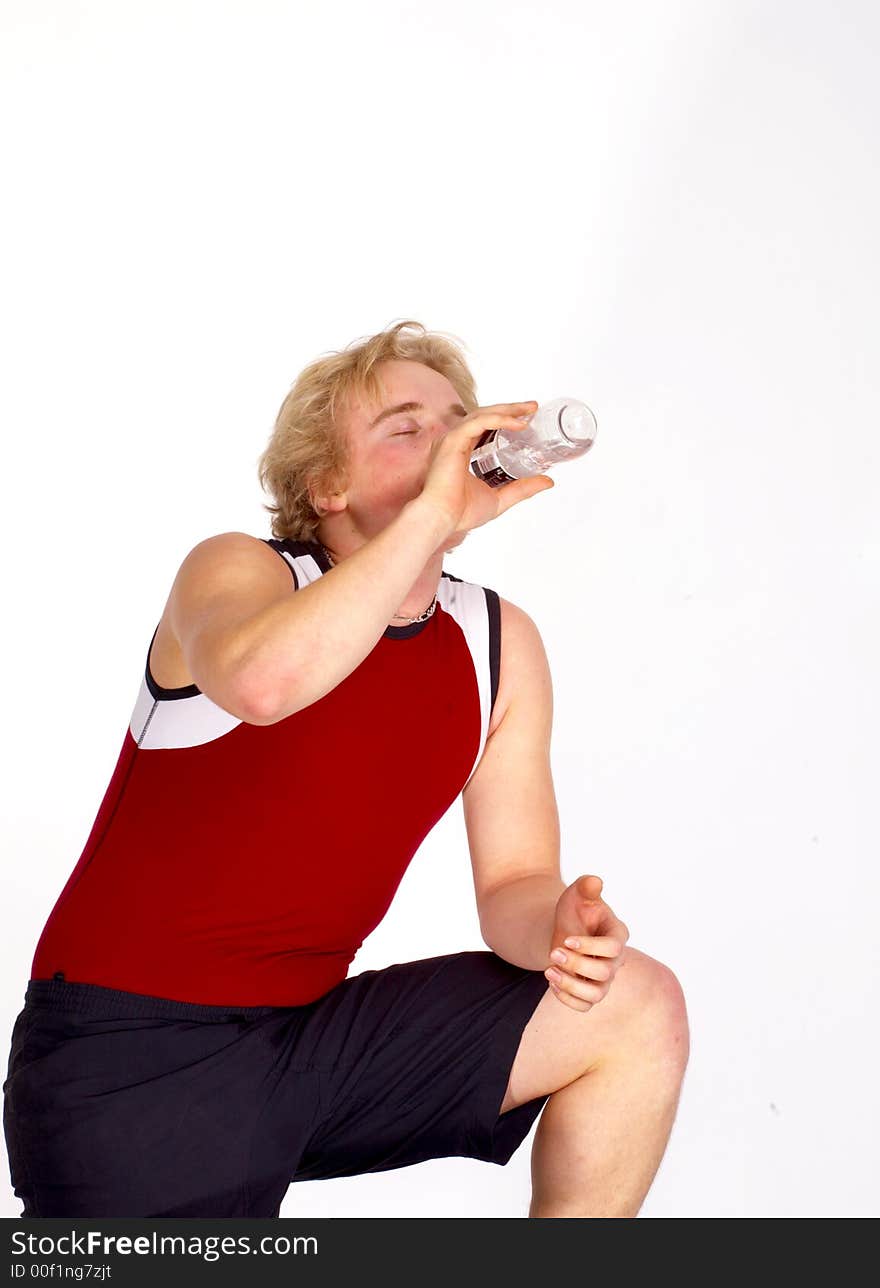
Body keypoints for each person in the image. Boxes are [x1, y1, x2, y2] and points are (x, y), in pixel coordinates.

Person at [2, 319, 689, 1218]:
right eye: (407, 428)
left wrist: (557, 928)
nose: (450, 446)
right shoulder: (240, 572)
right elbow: (262, 681)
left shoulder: (497, 642)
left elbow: (516, 883)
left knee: (633, 1005)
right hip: (131, 1061)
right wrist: (434, 516)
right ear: (324, 484)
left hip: (309, 1045)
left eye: (458, 424)